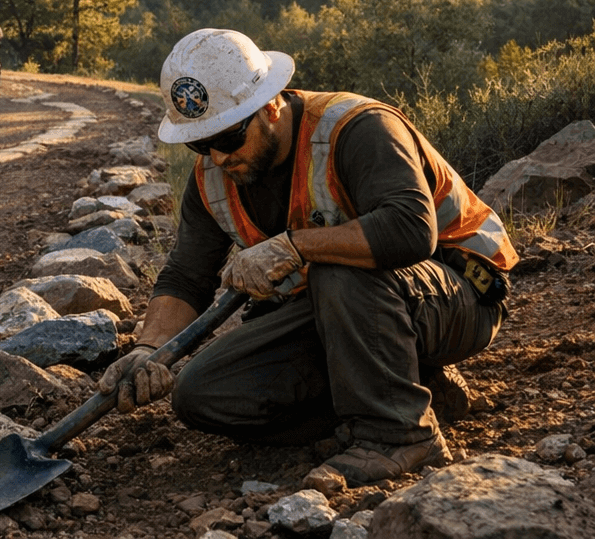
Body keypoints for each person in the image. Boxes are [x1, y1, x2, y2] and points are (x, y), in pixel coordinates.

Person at [99, 28, 516, 491]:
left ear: (271, 105)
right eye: (200, 144)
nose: (217, 157)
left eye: (230, 138)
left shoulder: (356, 128)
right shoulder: (213, 177)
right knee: (203, 394)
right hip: (344, 314)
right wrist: (147, 348)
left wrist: (294, 246)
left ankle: (398, 434)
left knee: (339, 267)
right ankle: (411, 392)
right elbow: (185, 276)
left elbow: (411, 229)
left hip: (458, 296)